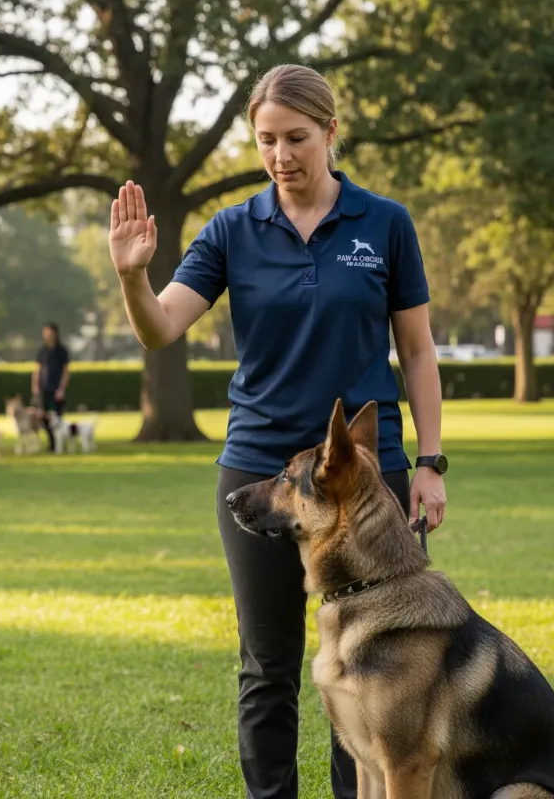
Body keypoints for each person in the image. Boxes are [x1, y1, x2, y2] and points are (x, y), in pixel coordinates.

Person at [109, 63, 448, 799]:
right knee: (268, 666)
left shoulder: (384, 223)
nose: (281, 155)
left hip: (364, 478)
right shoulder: (232, 229)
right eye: (266, 140)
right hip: (263, 473)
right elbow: (161, 328)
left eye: (296, 138)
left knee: (373, 663)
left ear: (330, 131)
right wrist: (134, 277)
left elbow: (418, 352)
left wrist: (430, 460)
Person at [32, 322, 70, 452]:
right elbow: (37, 370)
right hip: (44, 389)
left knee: (57, 418)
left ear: (55, 333)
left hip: (56, 390)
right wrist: (35, 386)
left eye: (48, 332)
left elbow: (65, 371)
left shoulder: (62, 351)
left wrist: (61, 389)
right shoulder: (42, 351)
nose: (46, 335)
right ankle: (52, 442)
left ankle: (58, 444)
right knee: (43, 417)